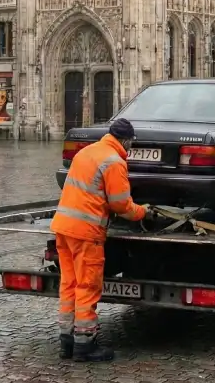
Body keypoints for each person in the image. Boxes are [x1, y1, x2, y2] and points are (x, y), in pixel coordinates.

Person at [51, 118, 148, 362]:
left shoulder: (87, 152)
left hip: (63, 227)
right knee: (87, 286)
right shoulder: (114, 161)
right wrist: (143, 212)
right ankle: (85, 346)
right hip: (86, 233)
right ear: (126, 141)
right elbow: (121, 205)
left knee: (69, 284)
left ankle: (67, 342)